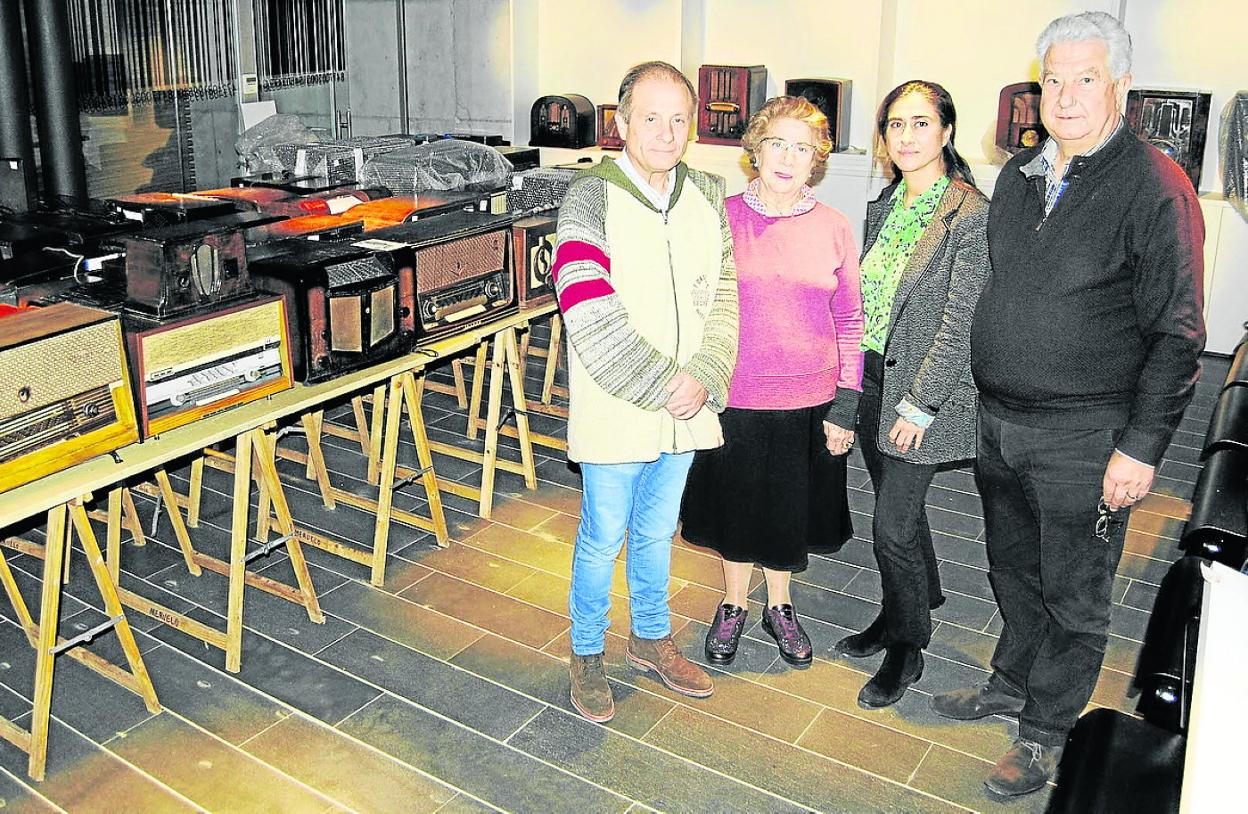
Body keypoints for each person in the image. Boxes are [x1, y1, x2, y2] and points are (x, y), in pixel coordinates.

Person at [933, 11, 1205, 798]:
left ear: (1120, 86)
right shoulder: (1020, 177)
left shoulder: (1155, 186)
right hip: (1004, 423)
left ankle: (1048, 731)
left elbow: (1180, 332)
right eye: (1054, 78)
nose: (1067, 94)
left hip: (1088, 437)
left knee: (1075, 591)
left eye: (1086, 78)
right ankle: (1011, 682)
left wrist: (1143, 446)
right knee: (1015, 570)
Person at [552, 60, 739, 724]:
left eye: (679, 118)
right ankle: (586, 652)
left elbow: (725, 298)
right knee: (604, 534)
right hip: (621, 403)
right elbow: (586, 305)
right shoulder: (589, 197)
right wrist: (665, 383)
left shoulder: (709, 193)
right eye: (650, 117)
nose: (665, 131)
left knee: (659, 530)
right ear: (622, 123)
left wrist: (707, 376)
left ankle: (651, 639)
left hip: (686, 406)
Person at [679, 95, 863, 669]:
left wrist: (847, 405)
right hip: (734, 393)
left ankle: (779, 605)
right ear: (755, 150)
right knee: (736, 509)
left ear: (817, 161)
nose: (788, 157)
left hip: (810, 397)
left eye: (802, 148)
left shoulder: (833, 228)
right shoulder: (720, 216)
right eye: (777, 143)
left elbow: (852, 318)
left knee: (788, 511)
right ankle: (733, 602)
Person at [832, 81, 989, 709]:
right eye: (896, 125)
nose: (907, 137)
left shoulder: (970, 213)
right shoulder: (886, 201)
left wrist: (919, 405)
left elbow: (960, 319)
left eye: (921, 124)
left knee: (891, 525)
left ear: (946, 132)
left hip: (922, 394)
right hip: (871, 376)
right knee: (901, 511)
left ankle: (909, 645)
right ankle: (903, 609)